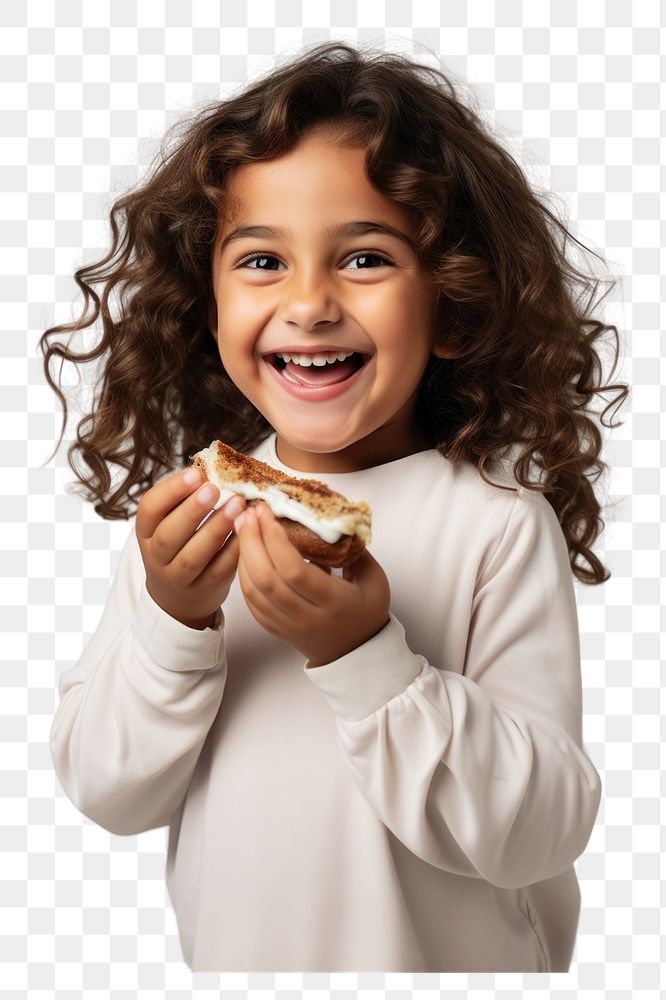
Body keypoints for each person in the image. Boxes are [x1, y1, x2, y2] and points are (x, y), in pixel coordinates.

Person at [42, 41, 628, 973]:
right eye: (263, 261)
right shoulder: (194, 521)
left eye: (363, 257)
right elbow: (110, 793)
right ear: (206, 300)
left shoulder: (493, 523)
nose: (309, 304)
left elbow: (543, 833)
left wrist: (369, 660)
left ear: (455, 299)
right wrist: (170, 620)